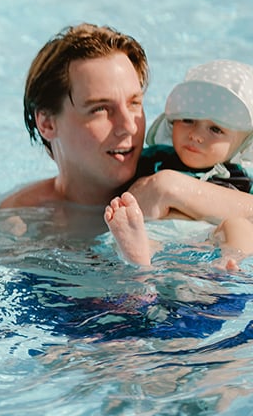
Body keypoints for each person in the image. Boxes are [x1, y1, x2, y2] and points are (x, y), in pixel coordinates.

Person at [105, 59, 253, 267]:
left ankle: (230, 262)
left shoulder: (242, 178)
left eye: (216, 129)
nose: (196, 135)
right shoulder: (155, 159)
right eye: (188, 120)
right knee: (130, 221)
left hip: (209, 241)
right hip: (156, 233)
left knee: (239, 226)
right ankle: (141, 251)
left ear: (242, 144)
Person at [0, 23, 150, 210]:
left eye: (134, 103)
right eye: (100, 109)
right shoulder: (19, 218)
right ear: (47, 123)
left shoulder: (172, 192)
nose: (129, 126)